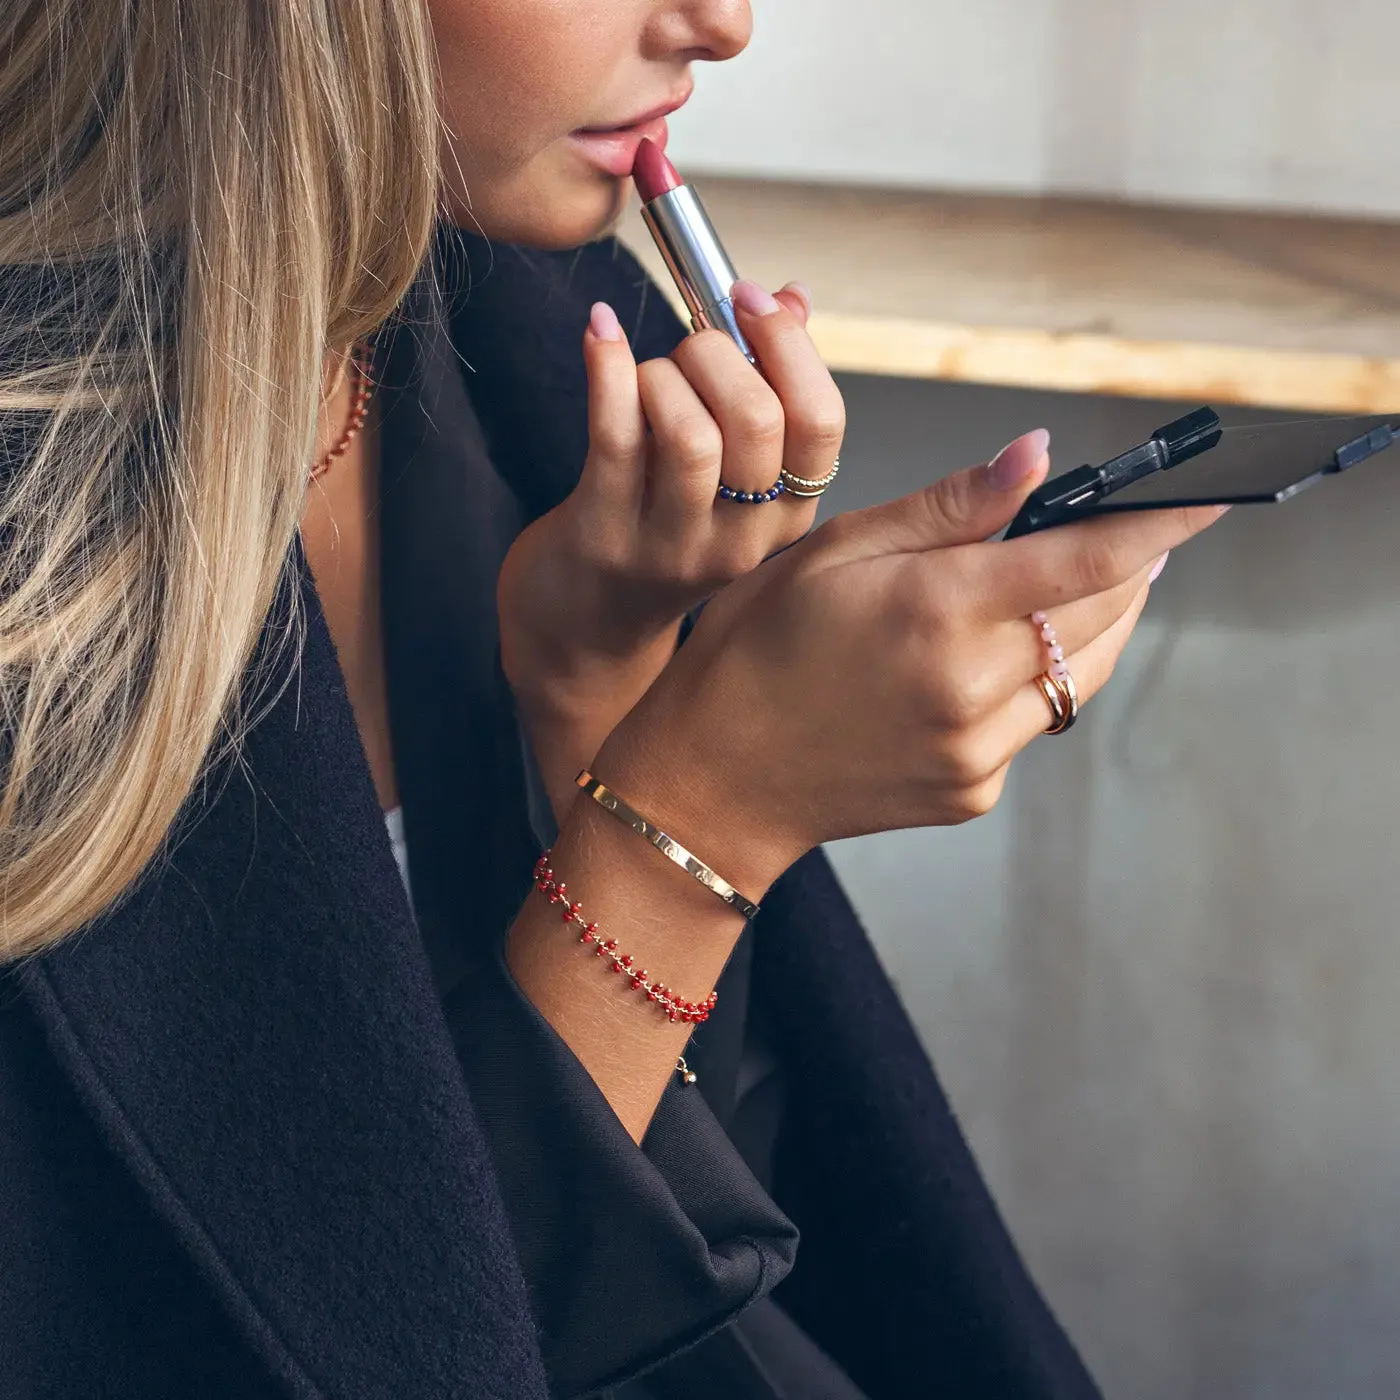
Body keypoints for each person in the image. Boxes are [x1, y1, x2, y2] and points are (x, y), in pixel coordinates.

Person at [0, 2, 1222, 1396]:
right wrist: (706, 807)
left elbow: (698, 1236)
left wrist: (602, 688)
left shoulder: (546, 348)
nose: (723, 22)